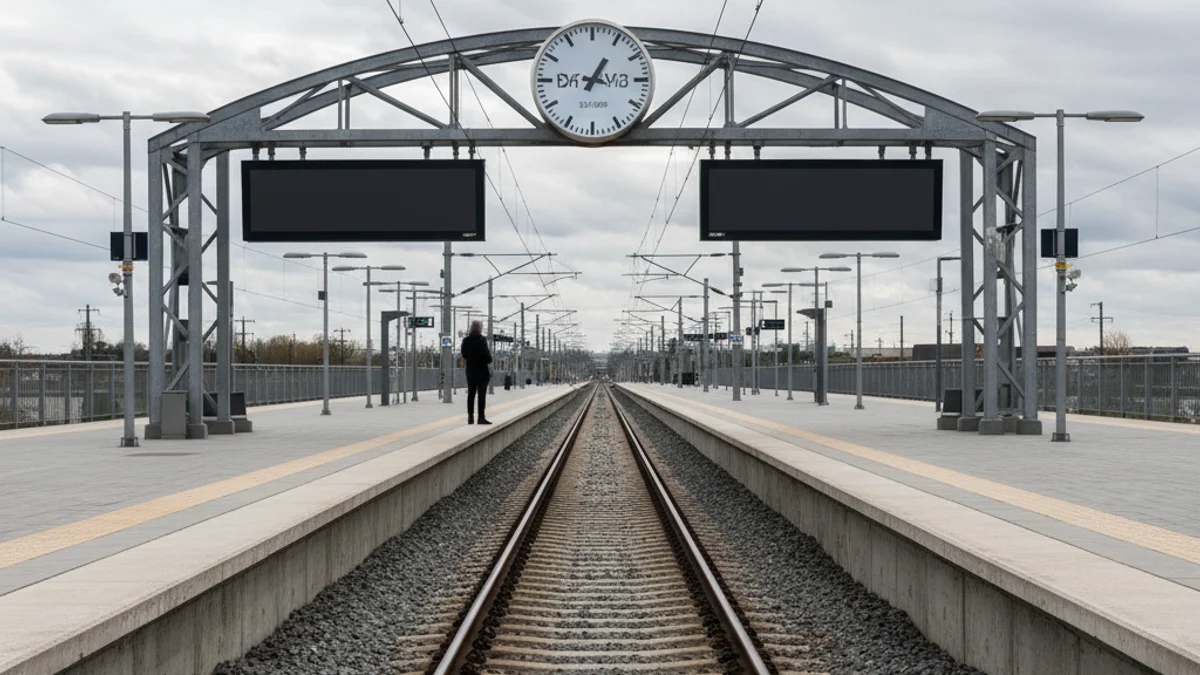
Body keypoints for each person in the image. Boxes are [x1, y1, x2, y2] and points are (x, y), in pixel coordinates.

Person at [460, 320, 493, 425]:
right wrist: (485, 359)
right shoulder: (482, 340)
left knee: (471, 394)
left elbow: (464, 354)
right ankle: (481, 417)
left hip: (470, 371)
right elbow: (487, 357)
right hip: (482, 371)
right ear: (479, 328)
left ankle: (470, 418)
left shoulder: (466, 340)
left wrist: (471, 359)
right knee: (481, 395)